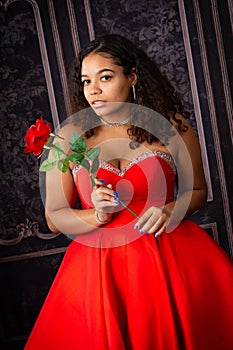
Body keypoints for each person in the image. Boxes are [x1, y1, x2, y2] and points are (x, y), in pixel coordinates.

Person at [25, 34, 233, 350]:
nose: (93, 90)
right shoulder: (68, 137)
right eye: (85, 81)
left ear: (132, 76)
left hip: (170, 257)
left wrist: (169, 210)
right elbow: (55, 218)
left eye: (105, 77)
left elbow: (198, 190)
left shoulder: (173, 126)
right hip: (99, 269)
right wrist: (96, 213)